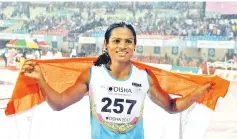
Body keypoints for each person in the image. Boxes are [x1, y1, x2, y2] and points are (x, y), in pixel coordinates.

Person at [21, 22, 213, 139]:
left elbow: (172, 106)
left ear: (135, 46)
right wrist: (41, 80)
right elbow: (59, 104)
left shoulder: (144, 76)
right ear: (106, 45)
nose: (123, 46)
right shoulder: (92, 75)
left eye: (128, 41)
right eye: (116, 41)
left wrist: (198, 93)